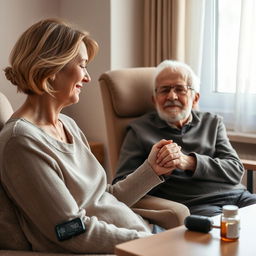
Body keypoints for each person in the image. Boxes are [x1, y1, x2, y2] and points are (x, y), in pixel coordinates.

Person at [0, 19, 173, 254]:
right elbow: (71, 231)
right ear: (51, 69)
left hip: (139, 238)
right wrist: (146, 242)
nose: (87, 77)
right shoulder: (20, 142)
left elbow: (102, 198)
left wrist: (151, 169)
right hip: (123, 249)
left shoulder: (67, 124)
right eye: (82, 65)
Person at [113, 59, 256, 217]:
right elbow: (121, 185)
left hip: (238, 197)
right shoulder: (139, 130)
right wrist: (156, 171)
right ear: (154, 100)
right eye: (164, 90)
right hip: (195, 206)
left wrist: (189, 162)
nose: (172, 96)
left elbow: (235, 169)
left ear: (195, 98)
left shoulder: (213, 122)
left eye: (180, 89)